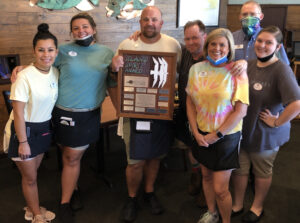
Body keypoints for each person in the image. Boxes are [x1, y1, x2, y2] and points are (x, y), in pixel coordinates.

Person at [11, 13, 118, 223]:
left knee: (72, 157)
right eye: (76, 28)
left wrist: (119, 110)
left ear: (94, 29)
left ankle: (65, 202)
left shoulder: (106, 53)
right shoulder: (64, 51)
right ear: (71, 32)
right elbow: (43, 63)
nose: (81, 31)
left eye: (85, 26)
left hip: (87, 115)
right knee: (66, 154)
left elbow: (111, 83)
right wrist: (22, 68)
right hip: (59, 114)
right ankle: (73, 186)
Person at [112, 6, 181, 222]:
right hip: (134, 113)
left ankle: (149, 192)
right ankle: (132, 198)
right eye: (145, 19)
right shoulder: (126, 45)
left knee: (155, 157)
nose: (150, 23)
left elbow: (180, 74)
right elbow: (116, 76)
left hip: (160, 111)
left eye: (154, 19)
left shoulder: (173, 45)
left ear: (161, 23)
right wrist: (114, 67)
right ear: (139, 22)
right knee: (135, 161)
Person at [231, 26, 300, 223]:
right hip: (243, 131)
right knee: (240, 170)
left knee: (261, 172)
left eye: (268, 42)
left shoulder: (282, 70)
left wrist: (277, 121)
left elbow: (296, 104)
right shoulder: (250, 64)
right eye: (260, 41)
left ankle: (257, 206)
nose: (262, 45)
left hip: (264, 134)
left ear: (277, 47)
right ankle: (237, 203)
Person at [186, 28, 249, 223]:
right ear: (207, 46)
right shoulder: (196, 69)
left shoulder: (237, 72)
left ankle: (226, 220)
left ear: (229, 48)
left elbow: (241, 111)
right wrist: (195, 132)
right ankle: (211, 213)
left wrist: (217, 135)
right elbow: (190, 102)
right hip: (201, 134)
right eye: (213, 44)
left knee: (221, 189)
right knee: (206, 176)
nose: (217, 48)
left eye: (222, 44)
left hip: (226, 136)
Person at [3, 23, 59, 223]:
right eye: (41, 50)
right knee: (30, 178)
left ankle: (30, 207)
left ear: (56, 51)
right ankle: (36, 215)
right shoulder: (24, 77)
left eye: (50, 50)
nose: (46, 54)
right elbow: (18, 113)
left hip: (43, 128)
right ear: (34, 51)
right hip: (23, 130)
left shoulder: (55, 72)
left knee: (33, 174)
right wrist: (23, 141)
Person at [233, 0, 289, 65]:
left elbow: (284, 65)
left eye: (252, 14)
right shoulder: (232, 38)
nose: (248, 17)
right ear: (240, 17)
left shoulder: (272, 38)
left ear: (261, 16)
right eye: (245, 14)